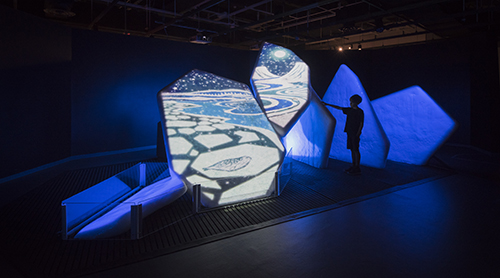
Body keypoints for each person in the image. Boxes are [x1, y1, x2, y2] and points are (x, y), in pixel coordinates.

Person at [322, 94, 364, 175]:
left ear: (355, 102)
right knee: (352, 149)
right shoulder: (349, 110)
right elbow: (339, 108)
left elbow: (361, 123)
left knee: (355, 150)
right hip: (349, 132)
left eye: (351, 102)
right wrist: (327, 104)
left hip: (354, 133)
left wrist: (358, 133)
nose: (350, 103)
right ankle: (354, 165)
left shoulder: (360, 111)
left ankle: (357, 167)